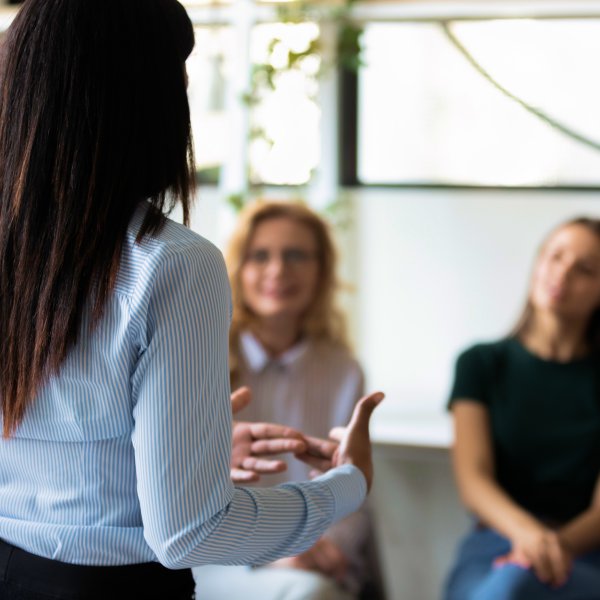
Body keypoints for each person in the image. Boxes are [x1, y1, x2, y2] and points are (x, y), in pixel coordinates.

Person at [0, 2, 383, 599]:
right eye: (179, 79)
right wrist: (347, 482)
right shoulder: (171, 265)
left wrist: (189, 460)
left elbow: (49, 460)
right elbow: (189, 533)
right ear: (142, 100)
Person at [194, 200, 375, 600]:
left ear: (321, 270)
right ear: (239, 268)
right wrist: (271, 554)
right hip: (215, 560)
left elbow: (354, 486)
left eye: (296, 255)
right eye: (260, 255)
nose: (278, 270)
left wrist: (321, 547)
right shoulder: (198, 356)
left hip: (313, 560)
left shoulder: (343, 370)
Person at [444, 217, 600, 600]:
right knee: (504, 585)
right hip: (493, 544)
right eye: (555, 257)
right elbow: (473, 481)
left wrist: (547, 547)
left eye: (585, 269)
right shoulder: (480, 363)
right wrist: (528, 537)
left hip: (585, 553)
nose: (562, 273)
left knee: (515, 584)